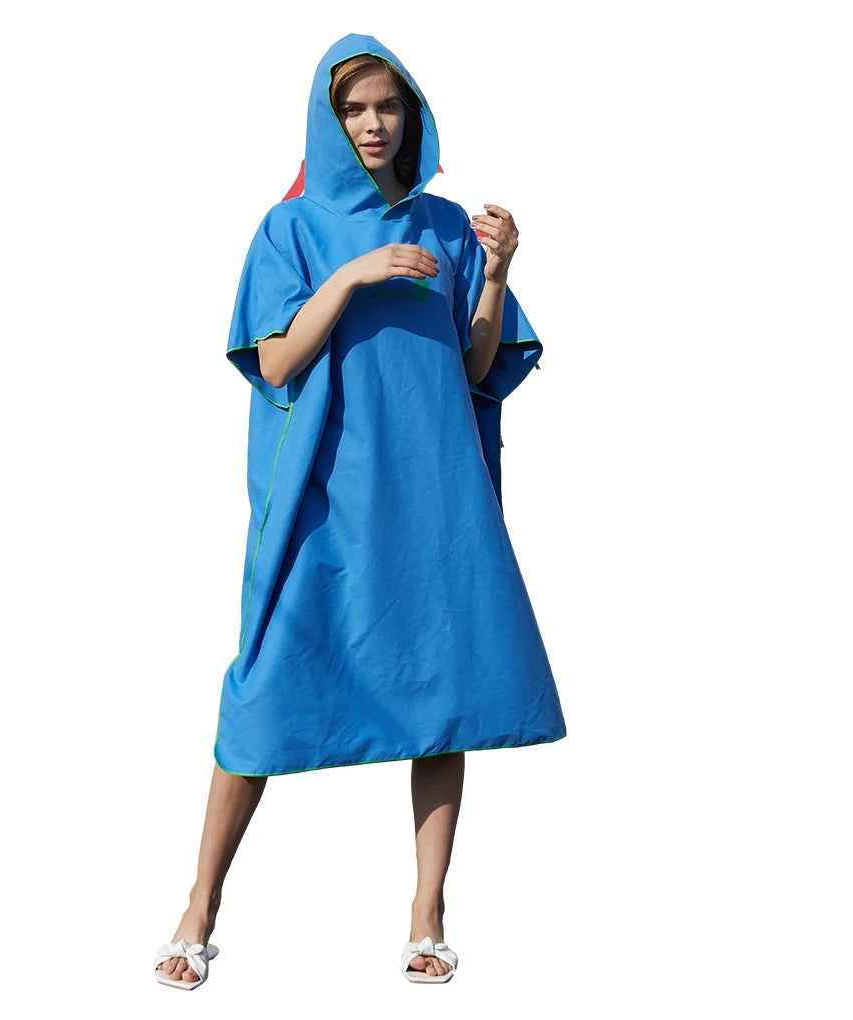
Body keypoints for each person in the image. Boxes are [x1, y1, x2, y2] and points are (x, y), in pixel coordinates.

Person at [154, 33, 566, 989]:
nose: (373, 125)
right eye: (354, 110)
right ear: (327, 121)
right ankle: (199, 907)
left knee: (442, 689)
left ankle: (428, 913)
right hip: (325, 493)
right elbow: (275, 363)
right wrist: (352, 275)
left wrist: (496, 271)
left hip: (431, 494)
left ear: (411, 118)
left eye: (388, 107)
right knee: (262, 686)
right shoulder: (289, 230)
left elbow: (474, 368)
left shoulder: (448, 225)